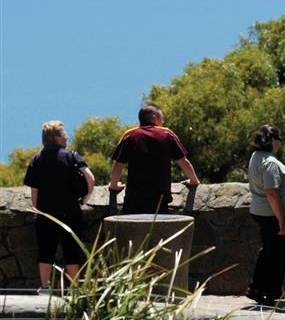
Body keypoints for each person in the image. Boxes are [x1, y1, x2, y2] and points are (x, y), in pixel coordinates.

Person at [23, 120, 95, 289]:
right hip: (70, 211)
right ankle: (75, 289)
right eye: (63, 134)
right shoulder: (72, 156)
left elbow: (35, 191)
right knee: (72, 252)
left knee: (46, 252)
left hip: (46, 214)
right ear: (55, 137)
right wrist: (86, 198)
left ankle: (45, 288)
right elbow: (90, 178)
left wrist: (37, 211)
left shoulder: (36, 159)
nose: (67, 136)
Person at [109, 104, 200, 214]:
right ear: (154, 117)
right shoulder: (166, 134)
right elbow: (182, 161)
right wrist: (194, 180)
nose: (163, 121)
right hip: (159, 199)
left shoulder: (130, 135)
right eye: (161, 117)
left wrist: (114, 186)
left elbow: (119, 165)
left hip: (134, 199)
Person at [244, 124, 285, 306]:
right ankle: (272, 292)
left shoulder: (255, 157)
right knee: (278, 254)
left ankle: (256, 287)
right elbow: (272, 192)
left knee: (268, 251)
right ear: (273, 140)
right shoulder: (270, 162)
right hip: (270, 213)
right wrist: (281, 220)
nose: (280, 144)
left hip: (260, 210)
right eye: (279, 140)